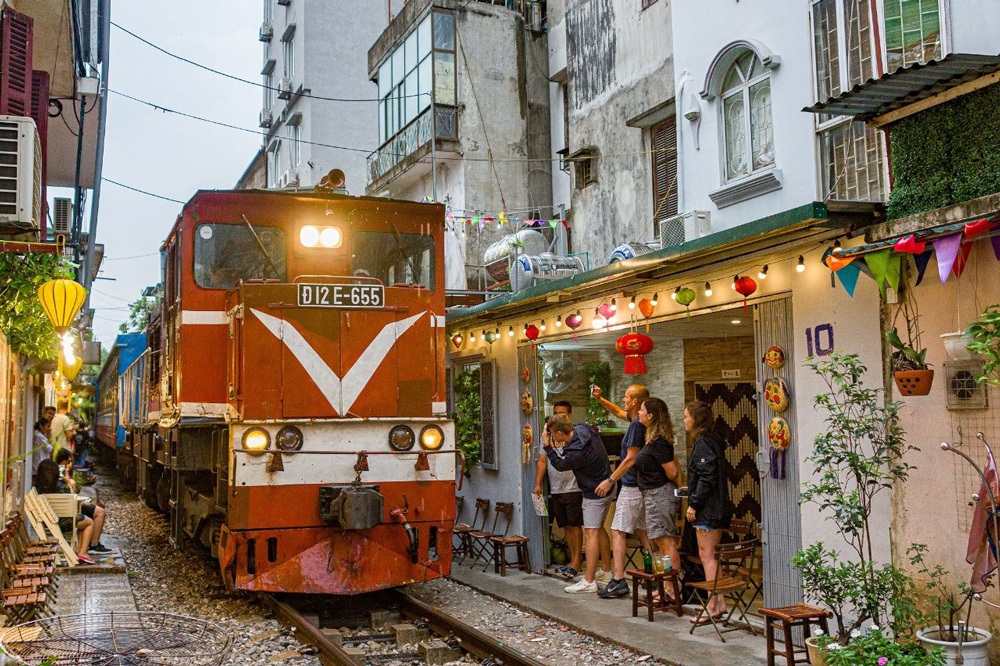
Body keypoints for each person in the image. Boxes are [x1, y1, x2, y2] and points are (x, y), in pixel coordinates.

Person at [534, 402, 611, 581]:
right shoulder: (582, 429)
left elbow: (561, 464)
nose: (558, 417)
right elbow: (543, 461)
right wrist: (538, 483)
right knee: (572, 526)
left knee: (588, 529)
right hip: (559, 487)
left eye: (561, 414)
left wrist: (548, 447)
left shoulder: (577, 447)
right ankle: (592, 567)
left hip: (580, 488)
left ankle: (586, 574)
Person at [591, 383, 653, 599]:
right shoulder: (641, 420)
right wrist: (600, 399)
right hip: (644, 485)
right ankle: (652, 575)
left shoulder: (637, 426)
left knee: (618, 531)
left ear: (635, 401)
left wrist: (610, 479)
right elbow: (617, 411)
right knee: (645, 533)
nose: (624, 400)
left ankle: (618, 580)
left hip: (632, 485)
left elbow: (630, 458)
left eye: (626, 397)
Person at [684, 400, 733, 624]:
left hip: (708, 509)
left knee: (707, 557)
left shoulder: (703, 443)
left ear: (696, 420)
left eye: (686, 417)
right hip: (718, 506)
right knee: (712, 556)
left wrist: (693, 503)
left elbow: (707, 477)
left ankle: (712, 604)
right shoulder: (714, 441)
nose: (684, 420)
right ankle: (720, 602)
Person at [634, 398, 682, 600]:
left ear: (651, 415)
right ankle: (665, 585)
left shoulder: (659, 441)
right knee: (660, 541)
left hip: (659, 493)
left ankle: (672, 588)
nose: (639, 413)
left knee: (666, 541)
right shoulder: (652, 439)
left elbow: (671, 470)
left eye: (642, 410)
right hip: (652, 494)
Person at [34, 459, 94, 565]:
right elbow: (72, 499)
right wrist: (68, 481)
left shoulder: (37, 488)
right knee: (89, 522)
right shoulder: (61, 486)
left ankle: (78, 551)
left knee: (81, 519)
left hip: (46, 522)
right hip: (63, 522)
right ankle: (83, 552)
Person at [54, 449, 110, 554]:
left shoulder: (54, 474)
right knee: (100, 512)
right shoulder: (62, 476)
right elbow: (72, 494)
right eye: (70, 460)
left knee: (94, 512)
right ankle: (92, 545)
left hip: (63, 510)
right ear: (67, 461)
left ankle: (86, 547)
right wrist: (68, 478)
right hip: (67, 512)